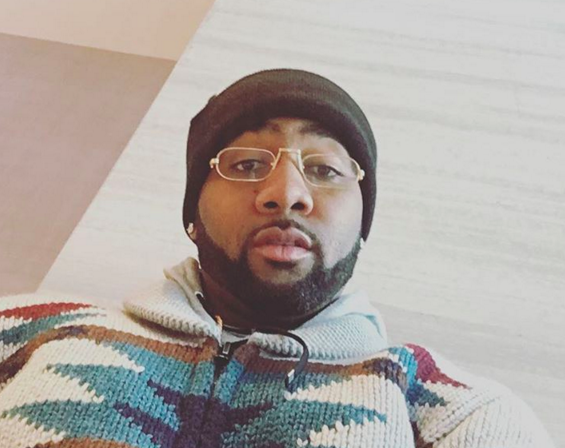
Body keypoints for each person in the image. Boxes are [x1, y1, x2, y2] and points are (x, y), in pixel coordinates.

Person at [0, 69, 555, 448]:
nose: (287, 193)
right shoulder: (28, 330)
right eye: (245, 165)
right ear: (192, 215)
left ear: (362, 226)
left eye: (325, 170)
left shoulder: (453, 409)